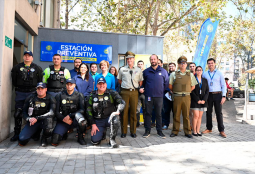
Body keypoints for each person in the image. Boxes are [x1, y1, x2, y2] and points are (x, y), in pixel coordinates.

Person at [11, 51, 43, 141]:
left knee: (34, 112)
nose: (27, 57)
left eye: (29, 56)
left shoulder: (37, 68)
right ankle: (16, 133)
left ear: (32, 58)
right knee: (18, 113)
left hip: (32, 93)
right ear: (23, 57)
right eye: (25, 56)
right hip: (20, 93)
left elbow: (40, 81)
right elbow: (14, 80)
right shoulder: (17, 67)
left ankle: (35, 133)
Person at [86, 77, 125, 148]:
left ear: (106, 84)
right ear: (97, 85)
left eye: (103, 84)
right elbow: (88, 110)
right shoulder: (92, 95)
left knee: (116, 120)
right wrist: (93, 124)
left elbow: (122, 102)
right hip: (98, 120)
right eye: (99, 84)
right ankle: (102, 132)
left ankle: (112, 139)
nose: (101, 85)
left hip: (109, 118)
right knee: (94, 141)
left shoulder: (112, 93)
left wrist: (118, 111)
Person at [18, 82, 56, 147]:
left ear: (46, 89)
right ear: (36, 89)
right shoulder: (30, 97)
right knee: (22, 140)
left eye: (42, 88)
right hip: (33, 121)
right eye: (38, 88)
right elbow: (24, 112)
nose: (40, 90)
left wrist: (37, 118)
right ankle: (36, 132)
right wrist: (28, 118)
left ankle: (44, 138)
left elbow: (52, 113)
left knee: (49, 121)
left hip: (44, 121)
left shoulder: (51, 98)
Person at [52, 78, 87, 146]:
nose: (69, 86)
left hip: (74, 119)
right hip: (63, 119)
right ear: (65, 85)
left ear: (74, 85)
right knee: (54, 141)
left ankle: (80, 137)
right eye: (67, 84)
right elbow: (56, 111)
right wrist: (63, 119)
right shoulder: (59, 95)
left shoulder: (79, 95)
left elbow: (82, 110)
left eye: (71, 84)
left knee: (82, 122)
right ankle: (64, 133)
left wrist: (70, 116)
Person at [169, 56, 197, 138]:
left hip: (187, 97)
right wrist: (177, 91)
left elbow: (193, 86)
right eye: (181, 63)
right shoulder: (173, 74)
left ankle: (188, 132)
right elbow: (170, 86)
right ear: (178, 64)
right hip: (177, 97)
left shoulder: (190, 74)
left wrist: (187, 91)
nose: (183, 65)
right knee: (176, 115)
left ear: (186, 64)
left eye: (184, 63)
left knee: (186, 116)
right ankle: (175, 131)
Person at [142, 54, 169, 138]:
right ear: (150, 61)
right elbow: (143, 83)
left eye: (154, 59)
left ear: (157, 60)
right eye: (151, 59)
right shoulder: (146, 71)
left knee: (159, 114)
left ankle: (159, 131)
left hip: (159, 96)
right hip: (149, 96)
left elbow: (166, 84)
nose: (153, 61)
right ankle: (147, 131)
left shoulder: (163, 71)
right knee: (148, 113)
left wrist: (160, 91)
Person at [117, 51, 143, 138]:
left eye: (131, 58)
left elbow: (140, 81)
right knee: (124, 112)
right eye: (128, 59)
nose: (129, 60)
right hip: (124, 92)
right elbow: (119, 80)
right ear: (126, 60)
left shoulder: (138, 70)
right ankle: (123, 131)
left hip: (134, 92)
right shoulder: (122, 69)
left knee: (133, 111)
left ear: (134, 59)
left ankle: (133, 131)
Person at [202, 58, 227, 138]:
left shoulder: (219, 73)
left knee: (218, 113)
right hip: (208, 95)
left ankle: (221, 130)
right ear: (207, 64)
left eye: (212, 63)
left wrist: (224, 96)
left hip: (218, 95)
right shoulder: (205, 74)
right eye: (209, 63)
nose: (210, 64)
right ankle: (209, 128)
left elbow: (223, 85)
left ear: (215, 63)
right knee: (208, 112)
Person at [190, 66, 209, 136]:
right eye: (197, 70)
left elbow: (207, 91)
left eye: (200, 70)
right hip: (195, 100)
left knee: (200, 117)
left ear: (202, 71)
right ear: (195, 71)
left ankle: (198, 130)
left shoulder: (205, 80)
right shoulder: (193, 79)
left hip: (203, 101)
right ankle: (194, 131)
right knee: (196, 116)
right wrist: (197, 100)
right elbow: (192, 91)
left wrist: (204, 100)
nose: (199, 71)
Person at [162, 62, 176, 130]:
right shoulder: (166, 75)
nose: (171, 67)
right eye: (170, 66)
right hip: (166, 96)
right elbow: (163, 84)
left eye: (172, 66)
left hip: (175, 96)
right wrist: (169, 90)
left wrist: (174, 90)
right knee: (166, 111)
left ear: (175, 67)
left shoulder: (177, 75)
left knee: (175, 111)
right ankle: (166, 124)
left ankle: (175, 125)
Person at [136, 60, 146, 127]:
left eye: (141, 64)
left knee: (146, 108)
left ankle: (146, 123)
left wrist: (143, 89)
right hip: (137, 93)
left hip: (145, 93)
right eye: (138, 64)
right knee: (137, 109)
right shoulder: (135, 73)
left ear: (143, 65)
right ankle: (137, 123)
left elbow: (148, 83)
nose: (140, 65)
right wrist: (138, 89)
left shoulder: (146, 73)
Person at [189, 62, 196, 129]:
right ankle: (190, 125)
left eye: (193, 66)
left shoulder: (198, 75)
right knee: (190, 112)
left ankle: (195, 126)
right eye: (190, 66)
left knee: (196, 112)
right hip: (189, 95)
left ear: (195, 67)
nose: (192, 67)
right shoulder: (187, 75)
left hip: (197, 96)